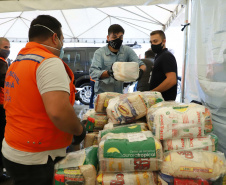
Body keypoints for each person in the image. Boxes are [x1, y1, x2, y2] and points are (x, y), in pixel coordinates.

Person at [2, 15, 86, 185]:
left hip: (13, 149)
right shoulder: (48, 62)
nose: (62, 45)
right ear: (55, 38)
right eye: (62, 39)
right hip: (37, 157)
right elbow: (58, 113)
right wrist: (78, 130)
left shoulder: (18, 61)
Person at [89, 24, 146, 94]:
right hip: (103, 95)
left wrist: (140, 72)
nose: (118, 40)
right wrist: (109, 73)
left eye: (120, 37)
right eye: (114, 37)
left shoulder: (127, 51)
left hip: (119, 95)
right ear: (108, 37)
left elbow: (142, 65)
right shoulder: (100, 53)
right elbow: (93, 73)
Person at [149, 30, 178, 101]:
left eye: (155, 41)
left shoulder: (166, 56)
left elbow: (172, 80)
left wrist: (153, 93)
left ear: (164, 41)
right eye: (151, 42)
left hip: (164, 102)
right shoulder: (159, 56)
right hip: (159, 101)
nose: (152, 44)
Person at [0, 37, 10, 182]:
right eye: (5, 47)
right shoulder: (1, 64)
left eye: (9, 47)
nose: (8, 50)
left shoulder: (4, 62)